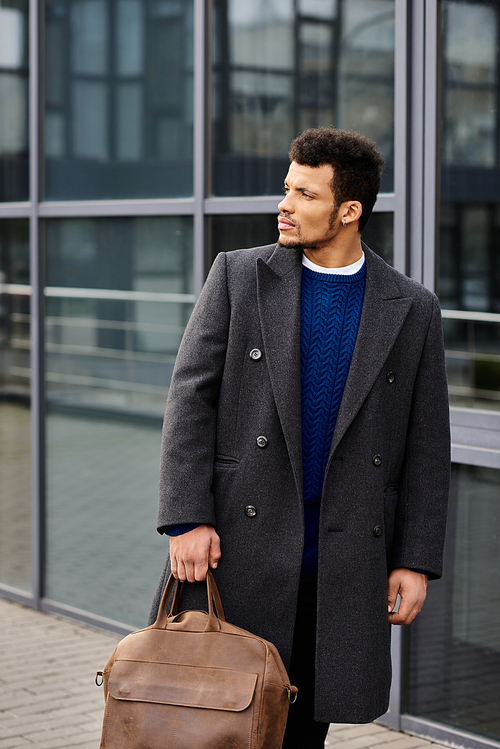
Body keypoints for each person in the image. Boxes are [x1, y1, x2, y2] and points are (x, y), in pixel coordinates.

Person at [149, 127, 450, 748]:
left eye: (303, 194)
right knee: (209, 724)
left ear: (349, 210)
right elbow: (189, 400)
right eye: (287, 188)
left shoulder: (411, 308)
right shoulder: (239, 276)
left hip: (342, 566)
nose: (283, 205)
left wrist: (414, 560)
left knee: (305, 732)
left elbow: (426, 444)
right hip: (237, 549)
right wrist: (185, 519)